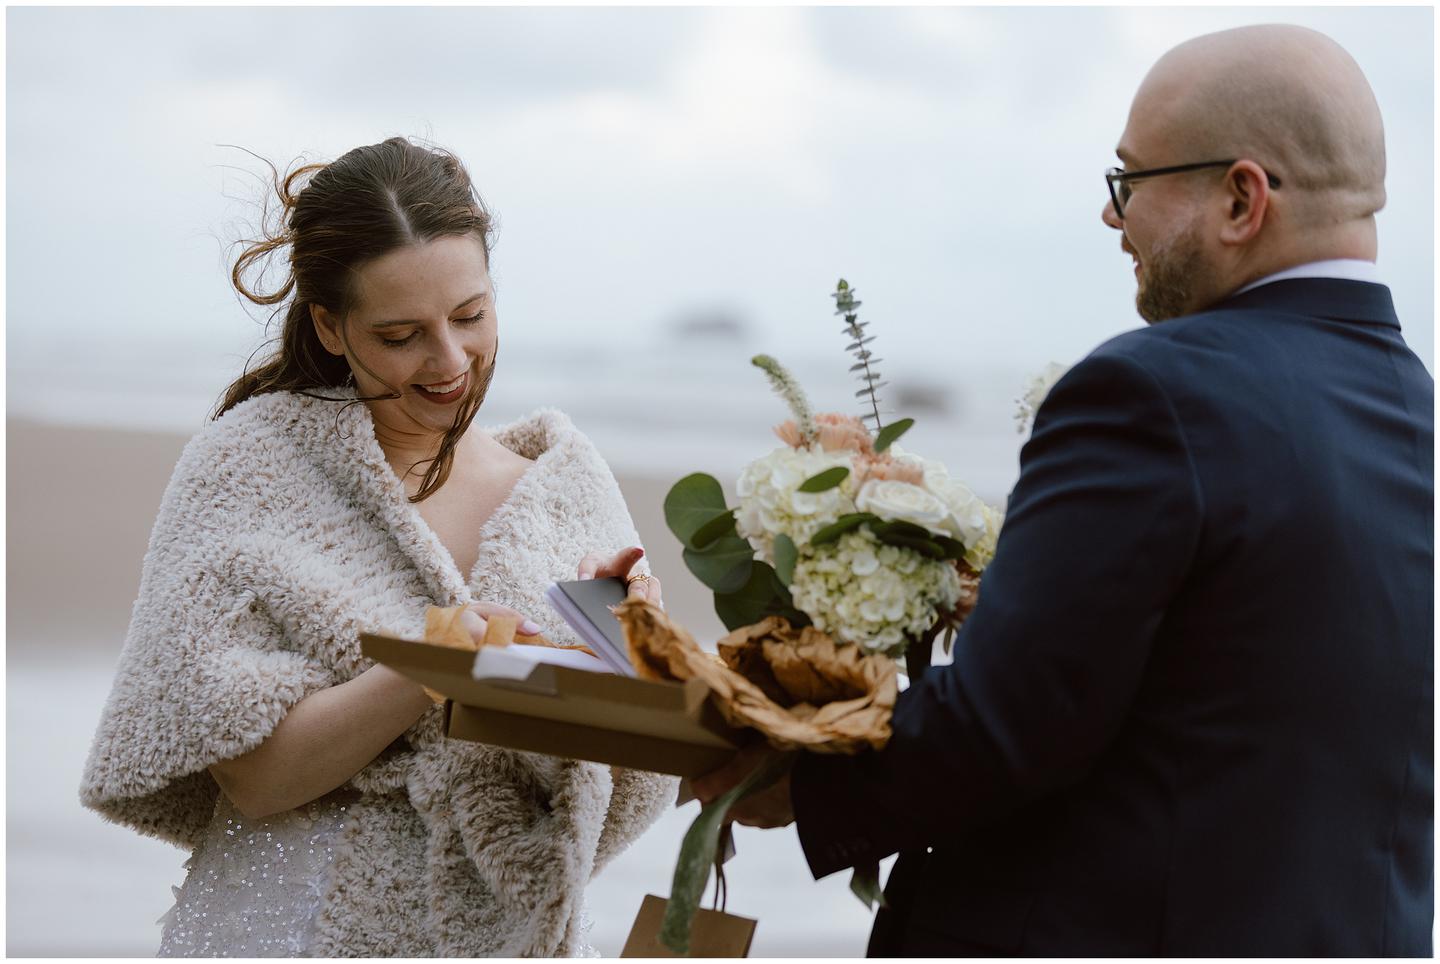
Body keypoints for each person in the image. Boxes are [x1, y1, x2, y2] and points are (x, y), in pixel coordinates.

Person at [694, 24, 1433, 956]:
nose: (1111, 219)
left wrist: (792, 772)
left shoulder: (1157, 391)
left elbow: (1013, 721)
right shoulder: (1415, 408)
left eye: (1129, 183)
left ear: (1241, 199)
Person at [80, 137, 675, 956]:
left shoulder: (566, 487)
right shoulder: (248, 466)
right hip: (287, 927)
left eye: (471, 316)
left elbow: (605, 803)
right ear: (330, 325)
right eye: (402, 335)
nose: (450, 361)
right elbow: (254, 778)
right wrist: (432, 668)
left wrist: (637, 659)